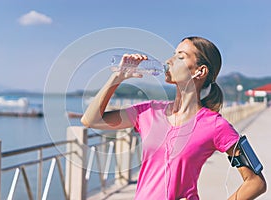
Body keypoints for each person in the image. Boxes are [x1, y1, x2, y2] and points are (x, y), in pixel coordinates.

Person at [81, 36, 267, 199]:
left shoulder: (215, 125)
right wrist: (117, 78)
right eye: (173, 54)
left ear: (199, 72)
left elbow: (256, 182)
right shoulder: (149, 111)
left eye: (180, 57)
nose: (169, 61)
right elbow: (91, 120)